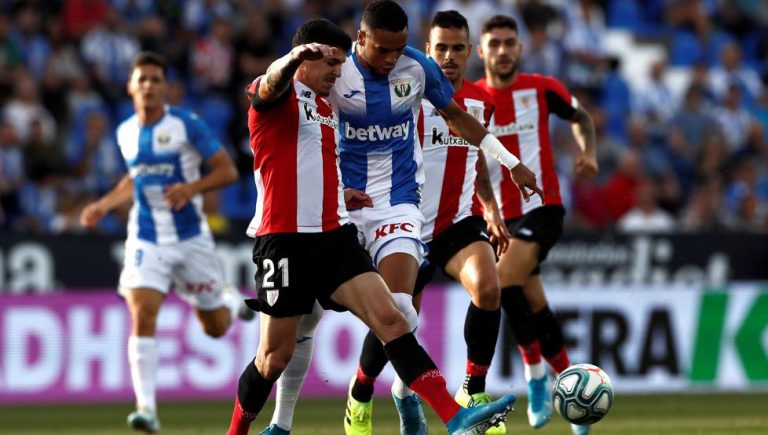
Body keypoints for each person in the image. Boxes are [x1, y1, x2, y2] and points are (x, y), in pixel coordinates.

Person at [227, 18, 516, 435]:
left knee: (393, 317)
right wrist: (290, 59)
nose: (337, 71)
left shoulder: (328, 106)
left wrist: (339, 194)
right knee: (273, 357)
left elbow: (313, 164)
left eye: (340, 63)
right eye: (330, 62)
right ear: (305, 57)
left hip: (335, 237)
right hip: (284, 242)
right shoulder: (276, 95)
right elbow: (269, 86)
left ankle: (455, 418)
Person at [79, 51, 252, 433]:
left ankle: (227, 300)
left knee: (215, 327)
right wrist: (104, 204)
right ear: (130, 87)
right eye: (141, 79)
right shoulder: (125, 131)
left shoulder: (186, 125)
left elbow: (227, 171)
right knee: (142, 313)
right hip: (146, 238)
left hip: (190, 238)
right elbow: (134, 178)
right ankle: (147, 410)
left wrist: (192, 187)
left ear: (165, 88)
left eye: (155, 79)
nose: (148, 86)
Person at [475, 15, 598, 435]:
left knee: (502, 280)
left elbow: (582, 118)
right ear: (481, 50)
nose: (503, 50)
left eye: (510, 42)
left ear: (520, 48)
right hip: (498, 219)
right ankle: (574, 392)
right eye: (495, 43)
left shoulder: (543, 88)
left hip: (543, 207)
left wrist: (588, 153)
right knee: (531, 298)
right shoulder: (472, 99)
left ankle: (535, 374)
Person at [415, 10, 511, 435]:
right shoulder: (406, 96)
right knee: (397, 323)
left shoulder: (481, 102)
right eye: (441, 48)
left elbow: (479, 160)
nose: (449, 56)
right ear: (428, 50)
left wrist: (491, 209)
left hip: (458, 221)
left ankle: (473, 390)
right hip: (406, 227)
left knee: (489, 288)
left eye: (457, 48)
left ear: (470, 51)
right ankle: (360, 393)